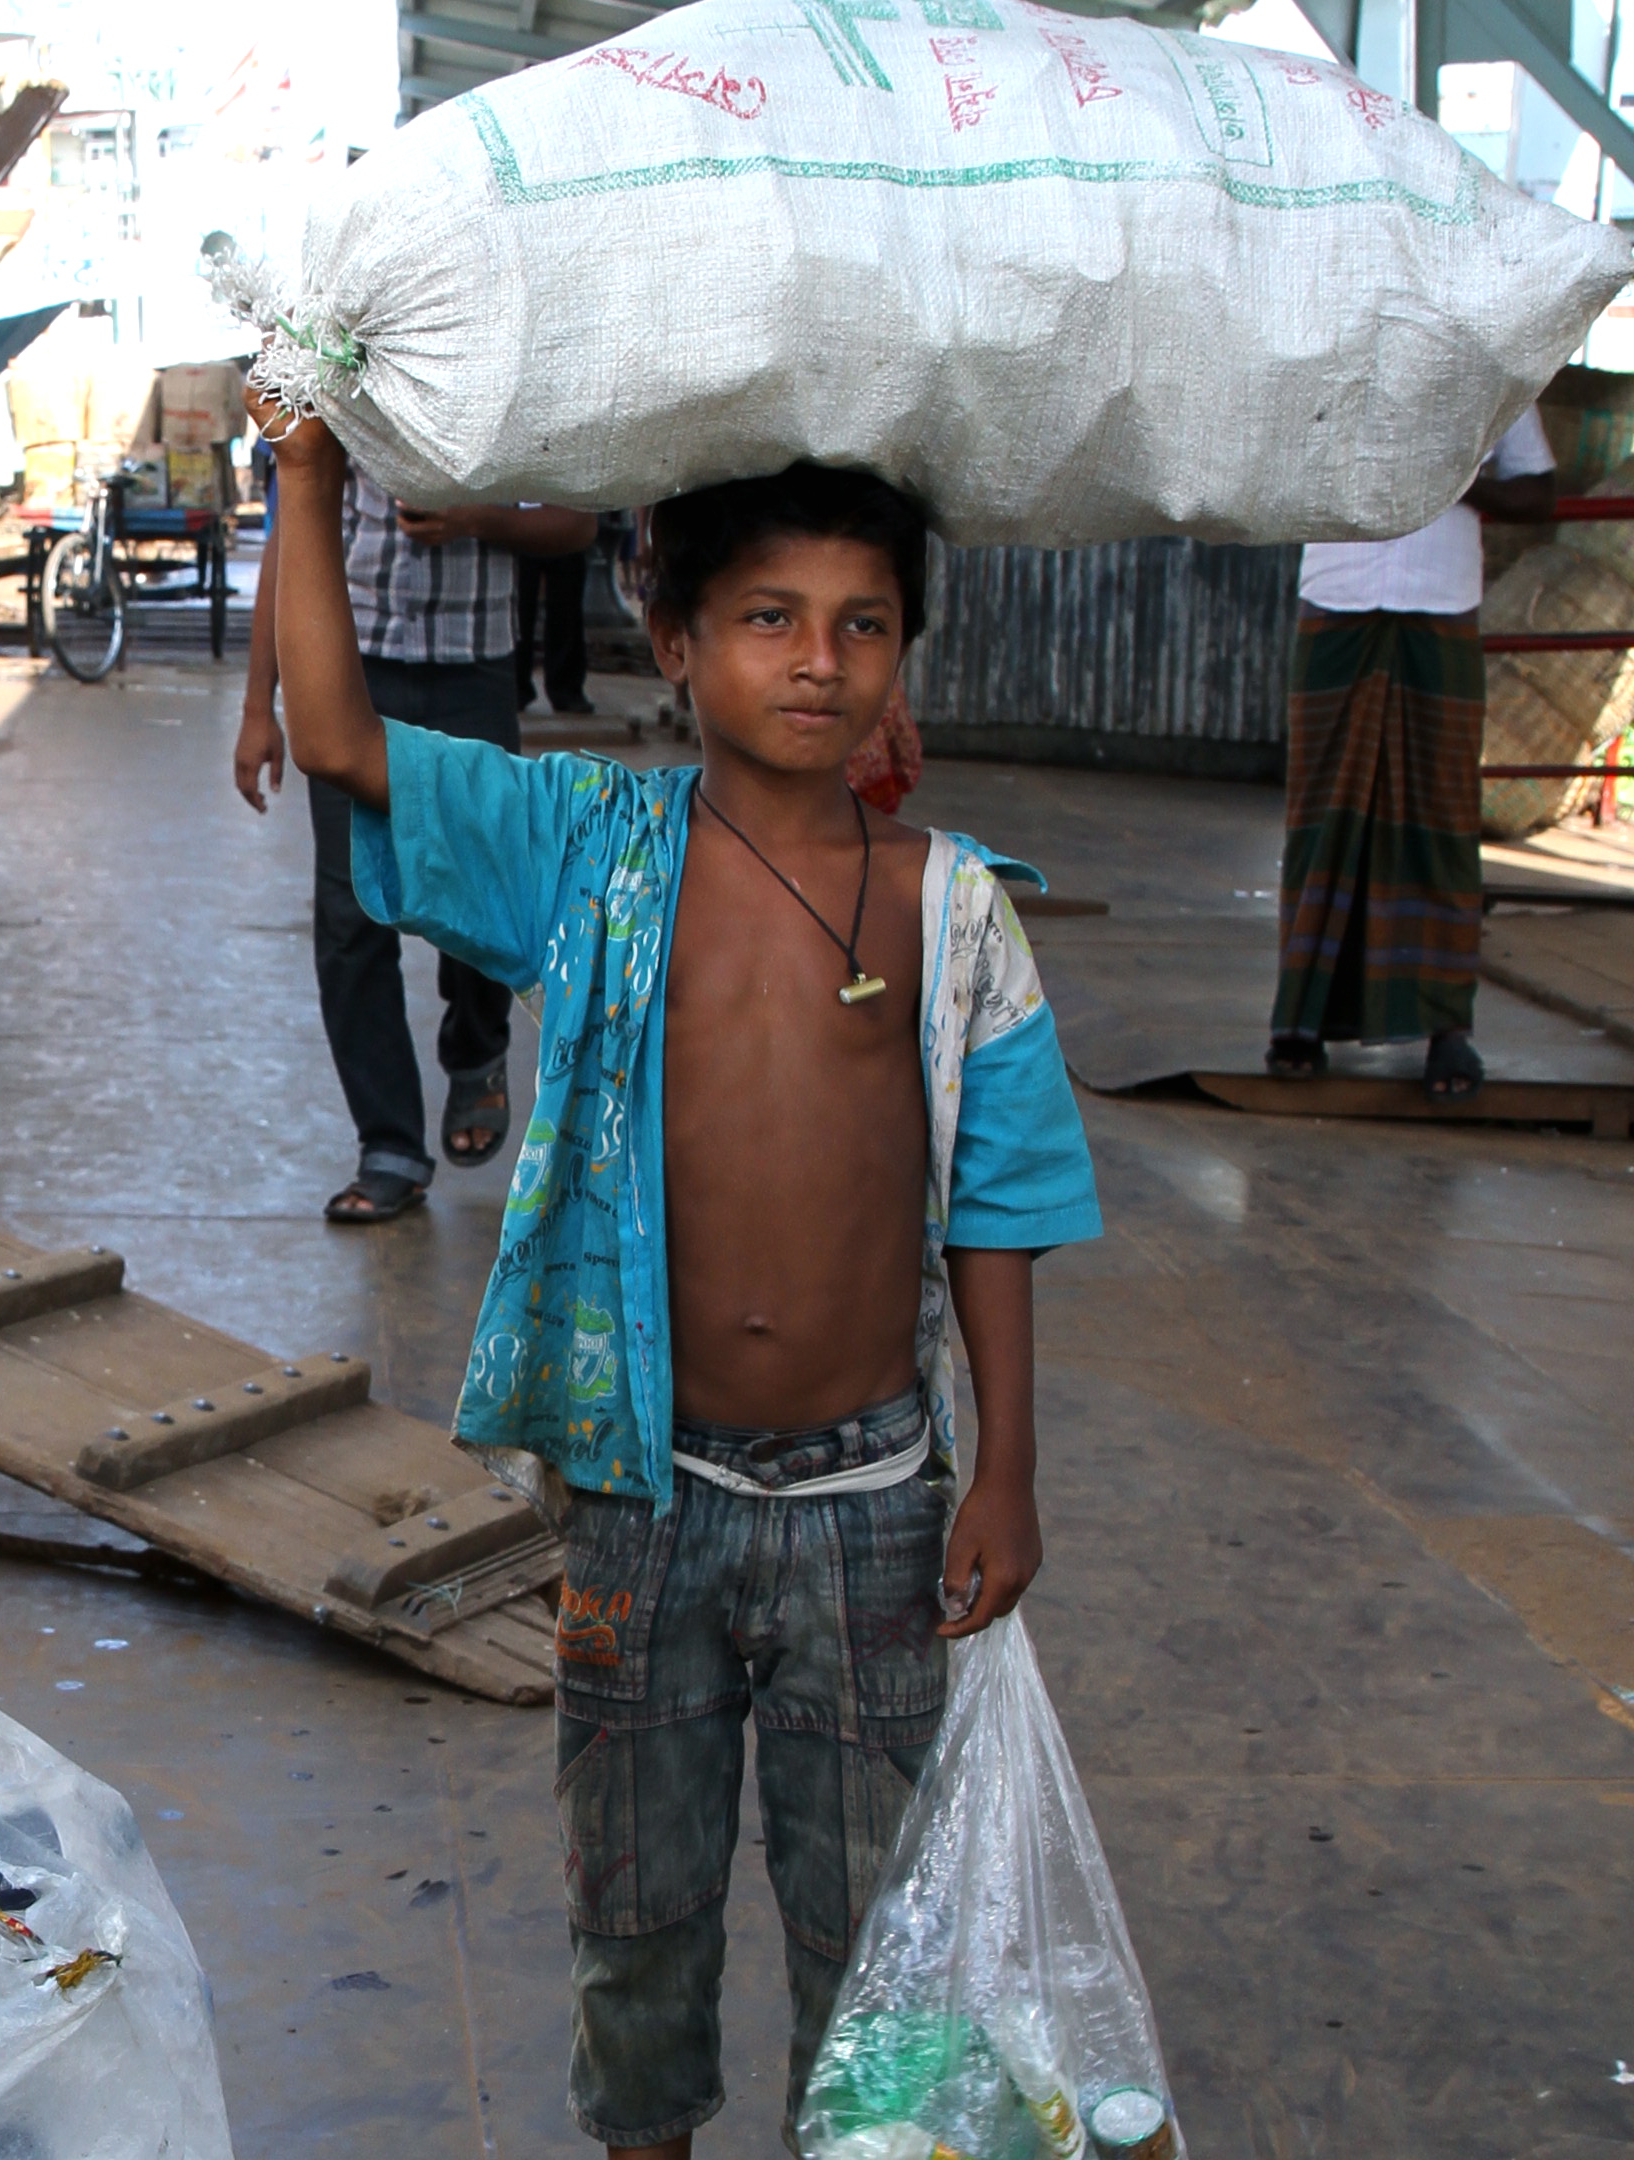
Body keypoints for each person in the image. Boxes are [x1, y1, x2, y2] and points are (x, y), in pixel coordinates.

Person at [261, 408, 1103, 2158]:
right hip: (642, 1498)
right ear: (673, 641)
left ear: (904, 655)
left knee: (875, 1924)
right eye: (768, 617)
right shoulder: (589, 851)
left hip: (878, 1505)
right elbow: (339, 732)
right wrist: (311, 481)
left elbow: (1001, 1207)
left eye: (862, 623)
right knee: (629, 1905)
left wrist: (1004, 1470)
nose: (818, 661)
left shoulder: (954, 915)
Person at [237, 451, 595, 1220]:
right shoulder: (335, 386)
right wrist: (257, 707)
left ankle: (475, 1049)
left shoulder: (503, 392)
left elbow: (577, 523)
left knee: (481, 891)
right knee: (350, 917)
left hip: (471, 674)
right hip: (349, 672)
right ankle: (389, 1144)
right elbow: (287, 548)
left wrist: (475, 519)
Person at [1270, 410, 1555, 1097]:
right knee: (1323, 819)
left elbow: (1539, 495)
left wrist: (1456, 483)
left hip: (1440, 602)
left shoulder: (1493, 364)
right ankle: (1299, 1023)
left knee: (1441, 821)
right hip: (1338, 599)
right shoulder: (1327, 352)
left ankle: (1446, 1032)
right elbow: (1271, 470)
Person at [513, 523, 598, 716]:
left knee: (567, 611)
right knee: (519, 610)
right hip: (521, 519)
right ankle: (515, 687)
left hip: (565, 522)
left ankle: (566, 689)